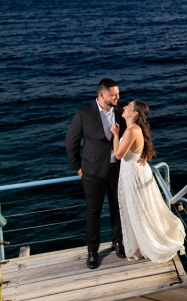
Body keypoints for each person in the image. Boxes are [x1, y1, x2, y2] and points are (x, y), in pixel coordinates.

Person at [110, 99, 185, 262]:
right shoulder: (133, 128)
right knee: (137, 210)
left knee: (139, 210)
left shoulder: (131, 131)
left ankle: (144, 248)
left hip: (135, 175)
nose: (124, 107)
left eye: (128, 106)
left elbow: (118, 154)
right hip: (133, 173)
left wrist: (115, 135)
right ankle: (139, 247)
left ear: (135, 113)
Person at [65, 78, 127, 269]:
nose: (117, 97)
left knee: (118, 208)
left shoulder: (122, 110)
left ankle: (118, 242)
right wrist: (78, 168)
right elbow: (70, 142)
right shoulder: (83, 113)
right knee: (93, 212)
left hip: (117, 169)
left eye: (118, 94)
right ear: (101, 95)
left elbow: (135, 131)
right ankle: (93, 252)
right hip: (92, 172)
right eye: (113, 94)